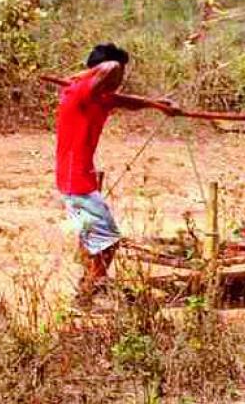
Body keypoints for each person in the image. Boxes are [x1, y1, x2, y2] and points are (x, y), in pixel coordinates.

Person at [56, 43, 178, 308]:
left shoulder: (98, 95)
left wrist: (155, 105)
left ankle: (89, 288)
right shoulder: (81, 92)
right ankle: (93, 290)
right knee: (108, 238)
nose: (120, 79)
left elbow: (125, 101)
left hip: (78, 179)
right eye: (119, 73)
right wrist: (98, 70)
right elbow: (109, 68)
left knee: (94, 238)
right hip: (76, 182)